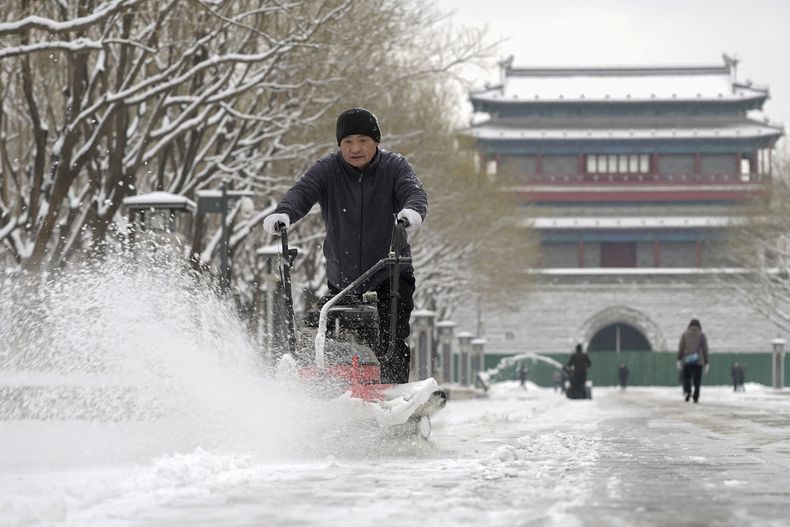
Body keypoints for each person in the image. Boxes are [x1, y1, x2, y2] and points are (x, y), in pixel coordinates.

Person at [262, 108, 427, 384]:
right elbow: (302, 191)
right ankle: (330, 387)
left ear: (376, 141)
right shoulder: (327, 169)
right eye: (347, 141)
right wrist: (284, 213)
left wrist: (411, 212)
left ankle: (392, 390)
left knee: (391, 339)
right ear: (339, 144)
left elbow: (414, 192)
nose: (355, 148)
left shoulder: (395, 167)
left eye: (363, 140)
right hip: (344, 279)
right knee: (324, 331)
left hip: (390, 273)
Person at [677, 319, 710, 403]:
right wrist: (706, 362)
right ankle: (696, 396)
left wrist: (679, 359)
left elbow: (681, 347)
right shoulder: (702, 335)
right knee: (697, 379)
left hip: (687, 360)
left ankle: (688, 392)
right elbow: (705, 349)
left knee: (686, 378)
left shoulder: (685, 334)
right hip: (699, 361)